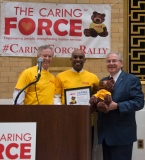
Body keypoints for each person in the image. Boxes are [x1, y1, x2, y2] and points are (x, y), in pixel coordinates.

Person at [97, 52, 144, 160]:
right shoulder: (103, 81)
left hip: (123, 134)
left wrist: (118, 106)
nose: (111, 63)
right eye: (108, 61)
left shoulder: (131, 79)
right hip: (105, 134)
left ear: (121, 63)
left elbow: (139, 102)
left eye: (114, 61)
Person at [53, 49, 99, 146]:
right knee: (67, 148)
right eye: (75, 57)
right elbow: (56, 97)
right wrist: (62, 111)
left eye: (81, 57)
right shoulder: (60, 76)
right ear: (71, 59)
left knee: (86, 149)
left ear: (85, 60)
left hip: (87, 121)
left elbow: (97, 96)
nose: (78, 59)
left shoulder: (93, 77)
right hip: (66, 120)